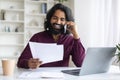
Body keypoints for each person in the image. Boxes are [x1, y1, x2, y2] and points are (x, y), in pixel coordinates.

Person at [17, 3, 85, 69]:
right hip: (40, 76)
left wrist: (75, 34)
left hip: (61, 77)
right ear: (49, 19)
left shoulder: (70, 40)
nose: (58, 22)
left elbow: (80, 63)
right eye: (55, 18)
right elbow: (20, 62)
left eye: (62, 19)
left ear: (67, 22)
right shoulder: (37, 37)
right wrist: (28, 63)